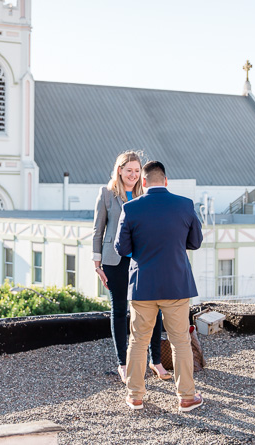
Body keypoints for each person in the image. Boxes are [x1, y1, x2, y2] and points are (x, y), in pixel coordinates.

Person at [115, 160, 204, 413]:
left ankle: (135, 396)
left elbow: (121, 248)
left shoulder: (131, 208)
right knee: (180, 341)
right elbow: (195, 242)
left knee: (138, 341)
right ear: (165, 181)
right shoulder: (185, 205)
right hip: (176, 285)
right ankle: (186, 397)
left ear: (143, 182)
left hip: (143, 285)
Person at [93, 151, 169, 384]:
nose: (133, 175)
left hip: (141, 260)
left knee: (153, 309)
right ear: (119, 170)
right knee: (119, 310)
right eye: (129, 170)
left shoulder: (144, 195)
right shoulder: (107, 194)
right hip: (113, 261)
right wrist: (97, 263)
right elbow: (98, 230)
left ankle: (155, 360)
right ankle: (123, 364)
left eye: (137, 171)